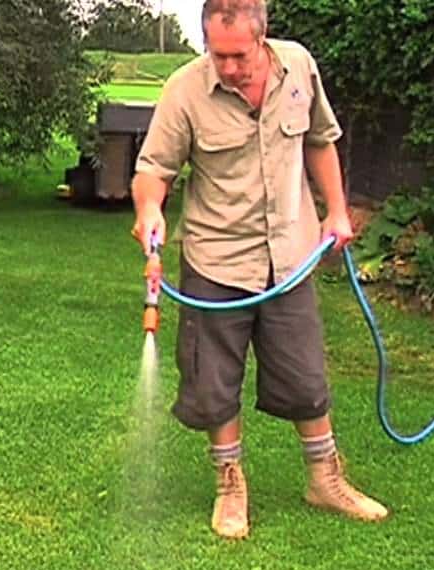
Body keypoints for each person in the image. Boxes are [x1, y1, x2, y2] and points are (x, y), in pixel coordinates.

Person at [130, 0, 389, 540]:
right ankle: (230, 486)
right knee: (213, 383)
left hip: (289, 257)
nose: (227, 66)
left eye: (238, 55)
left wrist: (336, 211)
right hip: (216, 260)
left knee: (306, 375)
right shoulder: (185, 90)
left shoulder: (299, 66)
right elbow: (154, 169)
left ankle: (325, 479)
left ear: (263, 37)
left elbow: (321, 140)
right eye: (216, 53)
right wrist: (149, 210)